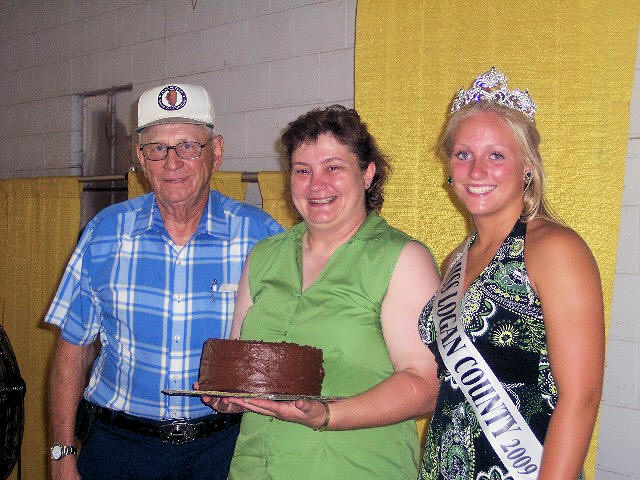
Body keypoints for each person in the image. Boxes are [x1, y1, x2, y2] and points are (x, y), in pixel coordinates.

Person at [45, 83, 283, 480]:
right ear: (141, 158)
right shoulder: (105, 232)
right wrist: (61, 456)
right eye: (158, 148)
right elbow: (72, 351)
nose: (172, 162)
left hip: (224, 451)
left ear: (216, 152)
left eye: (188, 146)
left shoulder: (261, 237)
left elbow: (283, 347)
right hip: (118, 450)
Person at [201, 105, 441, 479]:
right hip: (254, 469)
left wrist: (328, 414)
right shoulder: (263, 256)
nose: (316, 185)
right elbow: (243, 371)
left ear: (367, 174)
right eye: (302, 170)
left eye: (333, 168)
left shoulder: (402, 259)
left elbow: (426, 385)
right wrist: (228, 397)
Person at [418, 67, 605, 480]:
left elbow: (582, 397)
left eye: (496, 155)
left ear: (527, 167)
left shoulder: (555, 250)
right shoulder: (456, 260)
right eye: (463, 154)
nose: (476, 171)